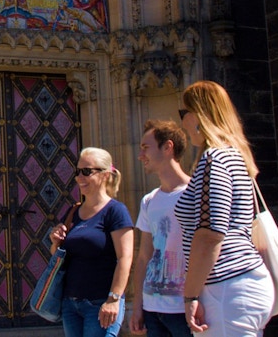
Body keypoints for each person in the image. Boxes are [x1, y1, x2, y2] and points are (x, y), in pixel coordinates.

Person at [175, 80, 273, 336]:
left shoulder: (214, 159)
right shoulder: (232, 155)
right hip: (236, 284)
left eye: (183, 114)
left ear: (199, 115)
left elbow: (210, 234)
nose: (182, 123)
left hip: (225, 285)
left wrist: (191, 295)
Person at [49, 147, 134, 337]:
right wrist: (55, 242)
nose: (80, 178)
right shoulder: (73, 211)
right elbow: (59, 256)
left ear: (104, 175)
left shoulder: (115, 211)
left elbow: (125, 259)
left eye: (86, 172)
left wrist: (113, 299)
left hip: (100, 302)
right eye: (77, 172)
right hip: (71, 304)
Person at [129, 120, 191, 337]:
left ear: (167, 147)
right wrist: (138, 306)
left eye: (146, 147)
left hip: (185, 308)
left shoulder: (194, 194)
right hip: (153, 309)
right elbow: (144, 256)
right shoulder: (149, 200)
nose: (140, 155)